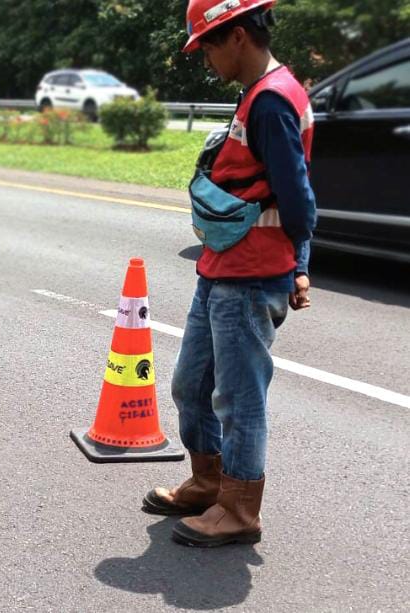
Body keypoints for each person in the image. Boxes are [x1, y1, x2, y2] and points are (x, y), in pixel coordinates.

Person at [142, 0, 316, 547]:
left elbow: (300, 201)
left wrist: (298, 266)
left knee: (239, 400)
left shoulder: (270, 102)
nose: (207, 58)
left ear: (237, 35)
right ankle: (208, 480)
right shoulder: (256, 95)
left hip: (250, 274)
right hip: (222, 269)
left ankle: (239, 510)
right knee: (190, 385)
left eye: (209, 45)